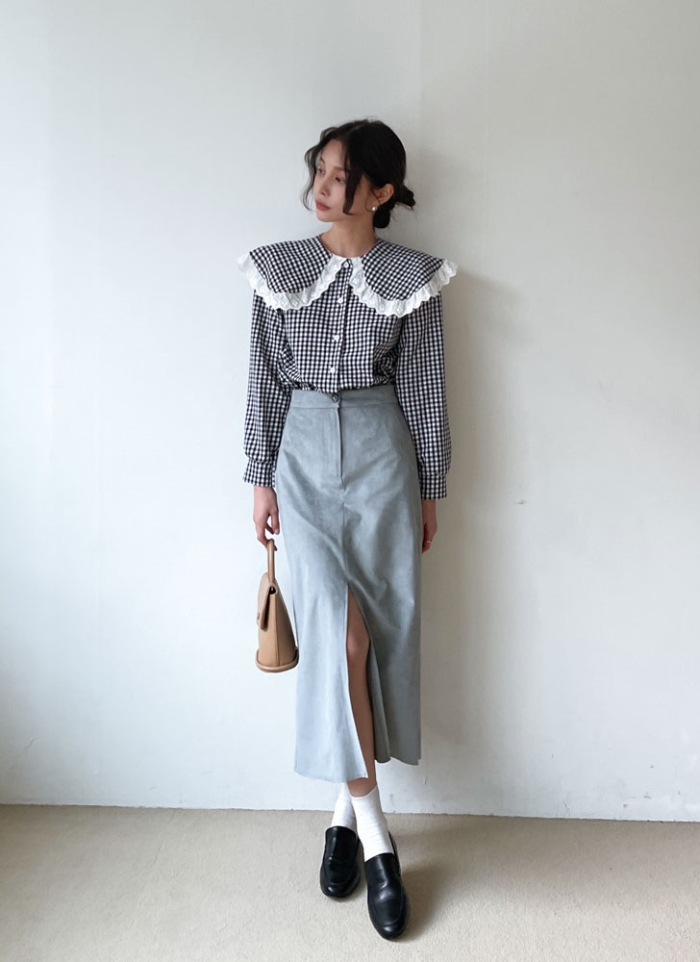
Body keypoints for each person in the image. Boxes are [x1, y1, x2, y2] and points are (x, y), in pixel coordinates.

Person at [239, 119, 455, 940]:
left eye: (341, 177)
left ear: (381, 191)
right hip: (299, 456)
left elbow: (426, 388)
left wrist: (430, 487)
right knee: (340, 633)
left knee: (376, 636)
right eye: (321, 172)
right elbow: (263, 378)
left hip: (382, 458)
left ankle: (338, 815)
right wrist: (260, 475)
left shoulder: (414, 279)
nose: (323, 189)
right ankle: (377, 839)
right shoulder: (277, 271)